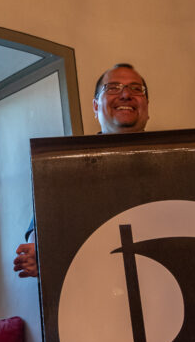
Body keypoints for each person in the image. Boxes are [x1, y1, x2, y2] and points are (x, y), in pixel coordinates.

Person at [12, 63, 149, 278]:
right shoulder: (66, 165)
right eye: (113, 87)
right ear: (95, 106)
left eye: (136, 88)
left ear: (147, 106)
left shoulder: (180, 164)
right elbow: (41, 228)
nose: (125, 95)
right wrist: (39, 251)